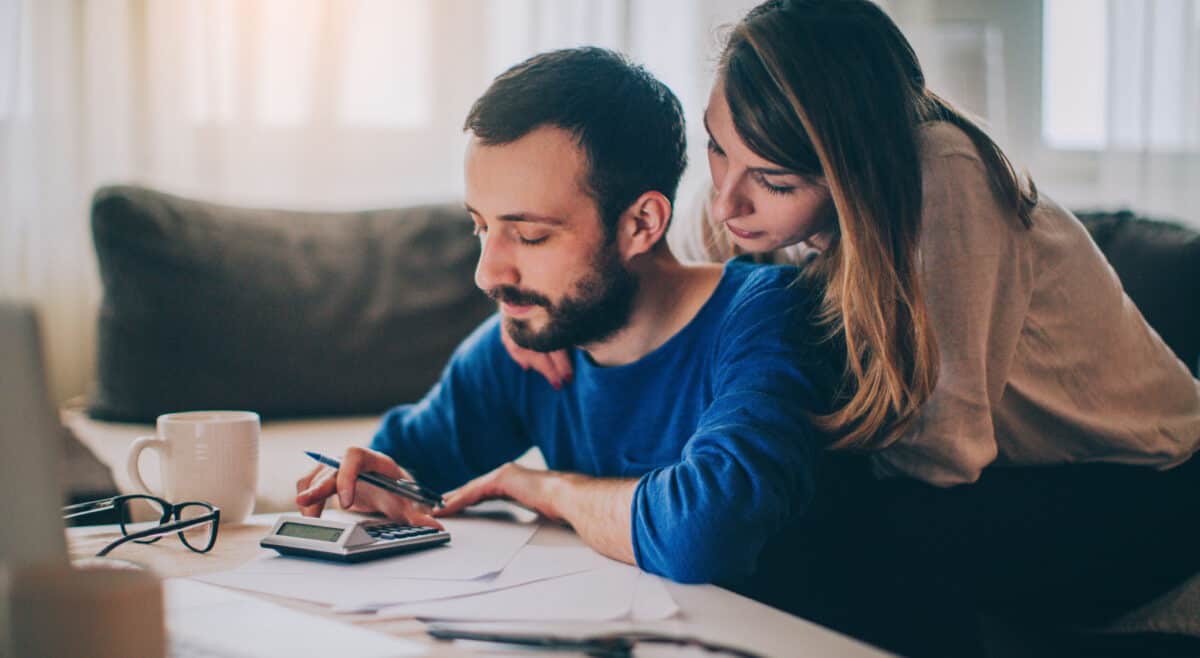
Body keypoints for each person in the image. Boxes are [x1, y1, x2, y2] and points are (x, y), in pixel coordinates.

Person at [503, 1, 1200, 655]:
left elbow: (943, 453)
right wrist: (546, 306)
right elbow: (655, 267)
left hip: (1143, 479)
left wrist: (747, 461)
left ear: (854, 171)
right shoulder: (742, 184)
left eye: (775, 183)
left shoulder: (942, 177)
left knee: (826, 526)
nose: (726, 201)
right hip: (1000, 473)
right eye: (717, 149)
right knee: (751, 505)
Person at [294, 47, 849, 598]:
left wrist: (549, 489)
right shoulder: (531, 340)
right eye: (480, 227)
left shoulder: (770, 316)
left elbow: (705, 533)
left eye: (531, 235)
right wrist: (368, 479)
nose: (487, 274)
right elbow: (407, 469)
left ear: (641, 223)